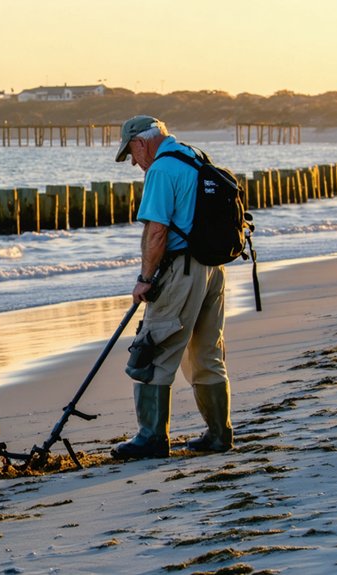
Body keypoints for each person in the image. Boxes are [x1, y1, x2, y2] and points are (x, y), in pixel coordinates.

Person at [110, 115, 233, 459]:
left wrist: (145, 279)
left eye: (131, 153)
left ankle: (151, 438)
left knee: (155, 349)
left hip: (181, 271)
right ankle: (219, 434)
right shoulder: (194, 156)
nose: (134, 162)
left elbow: (157, 232)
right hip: (213, 269)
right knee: (207, 352)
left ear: (142, 142)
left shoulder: (162, 169)